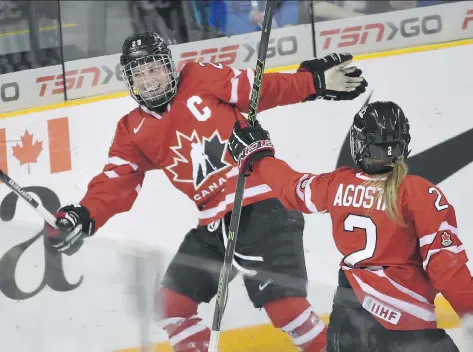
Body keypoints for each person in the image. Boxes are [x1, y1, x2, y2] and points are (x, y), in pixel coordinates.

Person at [45, 29, 367, 352]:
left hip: (261, 201)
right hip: (214, 225)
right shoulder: (131, 130)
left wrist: (313, 83)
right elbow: (115, 181)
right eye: (139, 74)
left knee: (285, 307)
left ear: (168, 66)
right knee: (172, 305)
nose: (149, 80)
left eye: (154, 68)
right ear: (130, 81)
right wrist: (83, 215)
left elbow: (260, 89)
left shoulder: (199, 76)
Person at [227, 101, 473, 351]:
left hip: (346, 325)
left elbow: (293, 189)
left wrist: (258, 157)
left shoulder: (337, 185)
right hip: (405, 331)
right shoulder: (419, 192)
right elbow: (447, 267)